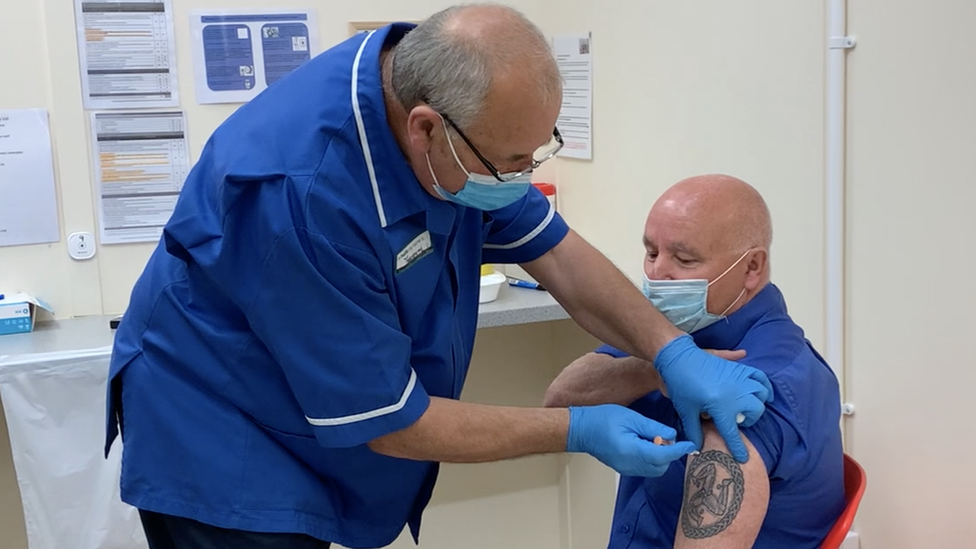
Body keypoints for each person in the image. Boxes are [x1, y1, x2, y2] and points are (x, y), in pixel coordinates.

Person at [104, 6, 774, 549]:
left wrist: (670, 348)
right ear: (427, 129)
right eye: (511, 160)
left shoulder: (449, 111)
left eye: (536, 150)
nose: (521, 175)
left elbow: (560, 256)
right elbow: (395, 421)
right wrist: (578, 428)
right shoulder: (302, 196)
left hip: (300, 410)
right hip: (220, 432)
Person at [544, 174, 846, 548]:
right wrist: (660, 370)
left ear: (751, 268)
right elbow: (560, 401)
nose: (657, 273)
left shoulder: (754, 389)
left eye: (684, 259)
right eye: (651, 252)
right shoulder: (681, 328)